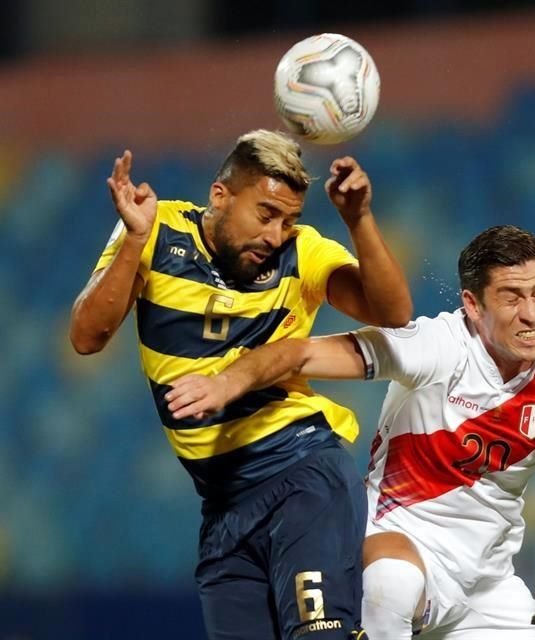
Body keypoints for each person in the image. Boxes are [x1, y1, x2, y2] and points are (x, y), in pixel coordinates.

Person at [163, 224, 535, 639]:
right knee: (392, 585)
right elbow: (302, 353)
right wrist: (228, 381)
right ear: (472, 304)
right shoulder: (437, 348)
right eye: (512, 298)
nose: (531, 314)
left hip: (488, 583)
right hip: (397, 543)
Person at [69, 129, 413, 640]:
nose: (276, 235)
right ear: (220, 195)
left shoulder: (303, 254)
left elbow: (394, 315)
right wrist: (134, 241)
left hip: (301, 476)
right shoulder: (155, 229)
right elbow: (86, 337)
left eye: (289, 220)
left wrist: (358, 218)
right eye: (265, 215)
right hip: (223, 508)